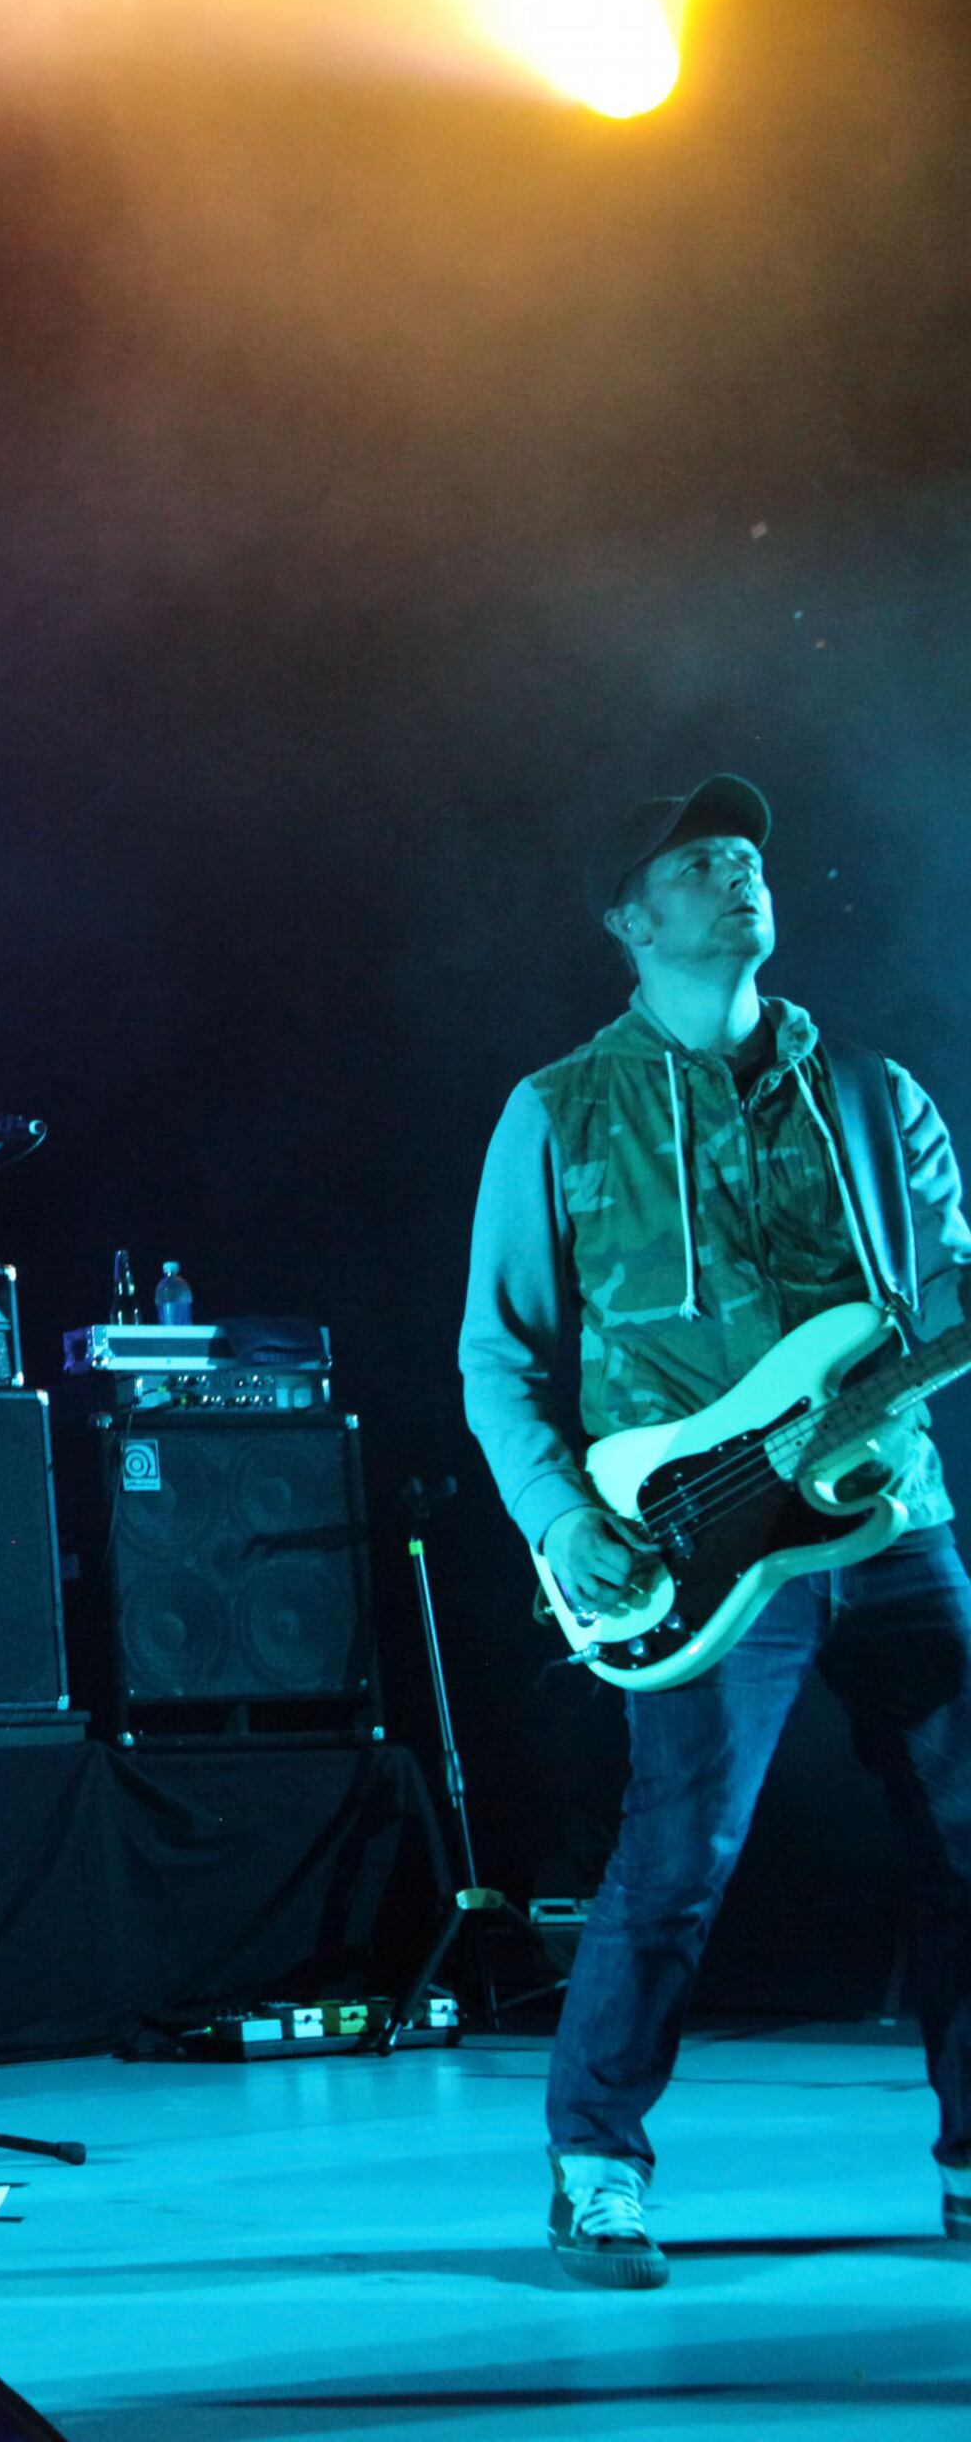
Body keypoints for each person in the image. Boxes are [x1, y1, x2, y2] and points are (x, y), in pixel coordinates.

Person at [461, 773, 971, 2287]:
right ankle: (595, 2168)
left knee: (968, 1838)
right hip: (687, 1536)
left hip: (889, 1520)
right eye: (697, 863)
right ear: (631, 920)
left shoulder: (875, 1097)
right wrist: (562, 1522)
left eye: (749, 856)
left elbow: (942, 1291)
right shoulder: (556, 1110)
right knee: (679, 1857)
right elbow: (499, 1354)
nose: (738, 877)